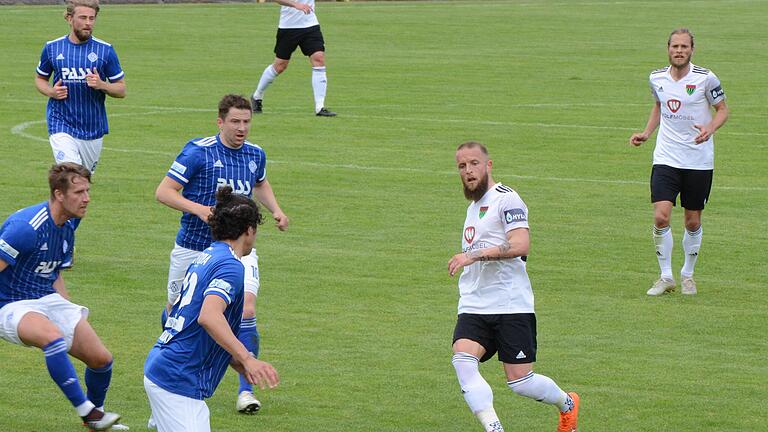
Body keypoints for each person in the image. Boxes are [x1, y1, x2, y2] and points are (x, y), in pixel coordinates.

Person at [155, 94, 288, 414]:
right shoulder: (197, 152)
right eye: (235, 122)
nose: (242, 128)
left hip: (238, 248)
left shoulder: (255, 154)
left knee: (246, 311)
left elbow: (260, 183)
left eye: (246, 122)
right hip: (192, 247)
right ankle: (170, 381)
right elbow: (164, 192)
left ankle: (246, 390)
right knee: (176, 315)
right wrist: (198, 209)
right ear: (220, 122)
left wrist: (277, 210)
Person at [447, 142, 580, 432]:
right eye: (462, 166)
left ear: (489, 165)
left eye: (474, 164)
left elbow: (521, 244)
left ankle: (567, 403)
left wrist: (473, 255)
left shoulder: (508, 200)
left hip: (510, 304)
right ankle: (495, 428)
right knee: (462, 362)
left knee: (521, 382)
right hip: (474, 304)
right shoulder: (473, 208)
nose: (468, 171)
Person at [144, 186, 280, 432]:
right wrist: (248, 358)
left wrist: (236, 361)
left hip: (167, 368)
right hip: (178, 380)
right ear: (249, 230)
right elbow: (209, 316)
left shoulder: (206, 256)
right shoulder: (231, 266)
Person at [0, 163, 121, 431]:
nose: (87, 198)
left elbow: (53, 270)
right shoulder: (25, 228)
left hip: (46, 297)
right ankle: (87, 413)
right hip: (11, 304)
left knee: (102, 360)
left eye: (88, 191)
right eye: (79, 192)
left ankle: (96, 418)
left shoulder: (70, 222)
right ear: (59, 194)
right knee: (52, 338)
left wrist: (67, 308)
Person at [629, 28, 728, 296]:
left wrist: (710, 129)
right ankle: (665, 276)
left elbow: (723, 110)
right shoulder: (657, 77)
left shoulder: (706, 78)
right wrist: (646, 133)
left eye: (684, 46)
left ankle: (687, 274)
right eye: (675, 46)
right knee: (661, 215)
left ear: (692, 50)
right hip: (666, 157)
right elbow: (660, 106)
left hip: (698, 160)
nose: (679, 50)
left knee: (692, 222)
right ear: (668, 49)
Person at [35, 0, 126, 174]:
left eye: (92, 18)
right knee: (71, 174)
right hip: (60, 123)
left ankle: (58, 201)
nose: (88, 23)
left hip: (92, 128)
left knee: (81, 182)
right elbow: (40, 79)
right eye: (83, 17)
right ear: (69, 18)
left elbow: (121, 90)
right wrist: (51, 92)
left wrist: (101, 85)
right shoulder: (53, 48)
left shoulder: (105, 51)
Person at [251, 0, 336, 117]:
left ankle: (320, 107)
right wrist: (296, 5)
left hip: (311, 25)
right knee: (280, 66)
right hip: (288, 27)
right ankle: (257, 96)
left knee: (319, 58)